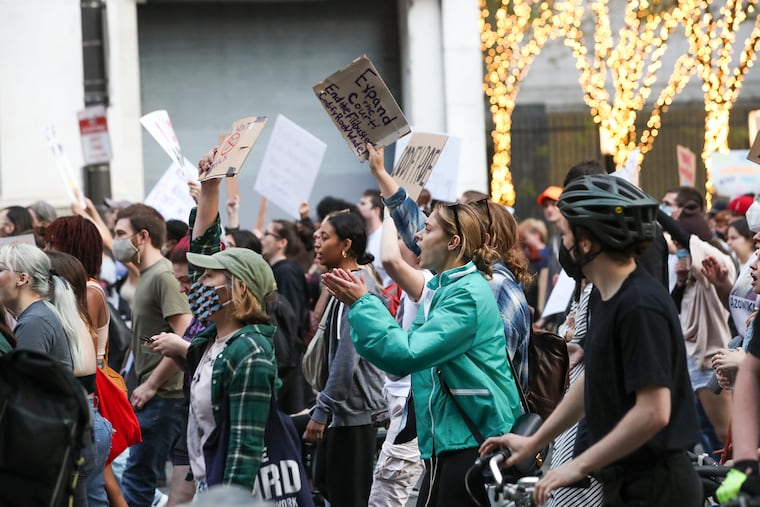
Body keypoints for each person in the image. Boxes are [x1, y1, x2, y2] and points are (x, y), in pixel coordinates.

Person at [480, 175, 701, 507]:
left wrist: (577, 465)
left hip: (658, 488)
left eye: (566, 234)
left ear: (586, 242)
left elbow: (654, 412)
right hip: (623, 483)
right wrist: (535, 440)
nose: (562, 243)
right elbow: (591, 379)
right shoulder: (604, 296)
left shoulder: (640, 305)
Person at [323, 201, 522, 507]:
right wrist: (361, 304)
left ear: (453, 242)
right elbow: (399, 358)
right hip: (449, 441)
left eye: (428, 229)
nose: (417, 236)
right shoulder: (445, 288)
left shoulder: (466, 294)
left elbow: (406, 354)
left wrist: (362, 303)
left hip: (473, 441)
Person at [0, 243, 100, 507]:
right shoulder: (38, 314)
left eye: (0, 269)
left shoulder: (34, 321)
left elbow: (28, 396)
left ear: (23, 278)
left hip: (55, 445)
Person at [303, 210, 387, 507]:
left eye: (325, 237)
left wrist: (322, 410)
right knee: (327, 483)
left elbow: (346, 358)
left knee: (348, 496)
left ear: (346, 245)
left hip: (353, 413)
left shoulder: (356, 287)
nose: (317, 242)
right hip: (345, 410)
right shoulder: (344, 282)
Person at [114, 203, 192, 507]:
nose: (116, 239)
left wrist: (152, 384)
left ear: (142, 236)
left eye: (121, 233)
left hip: (163, 397)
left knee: (138, 476)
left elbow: (184, 334)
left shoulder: (162, 276)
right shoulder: (147, 274)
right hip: (152, 393)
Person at [183, 247, 279, 493]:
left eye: (209, 275)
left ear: (240, 288)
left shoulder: (250, 353)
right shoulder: (209, 342)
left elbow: (245, 444)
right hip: (206, 482)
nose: (198, 283)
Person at [47, 250, 114, 507]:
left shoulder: (68, 328)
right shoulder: (79, 322)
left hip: (83, 422)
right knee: (95, 495)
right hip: (93, 419)